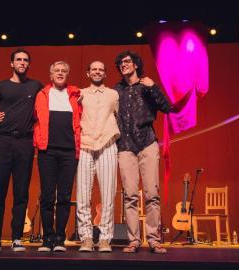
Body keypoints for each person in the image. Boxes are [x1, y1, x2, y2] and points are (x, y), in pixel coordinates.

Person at [0, 48, 43, 252]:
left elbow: (46, 106)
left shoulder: (36, 86)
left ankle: (17, 237)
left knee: (21, 192)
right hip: (2, 142)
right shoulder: (0, 86)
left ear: (28, 64)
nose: (22, 62)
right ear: (12, 63)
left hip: (24, 143)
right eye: (18, 59)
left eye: (25, 60)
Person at [114, 51, 170, 254]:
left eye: (127, 61)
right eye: (121, 63)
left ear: (136, 64)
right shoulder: (116, 90)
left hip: (147, 143)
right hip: (126, 146)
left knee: (152, 194)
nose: (124, 65)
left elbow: (167, 107)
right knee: (129, 195)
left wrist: (153, 87)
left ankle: (154, 239)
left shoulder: (147, 86)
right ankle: (134, 240)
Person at [33, 61, 82, 252]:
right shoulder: (42, 95)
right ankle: (47, 239)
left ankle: (60, 239)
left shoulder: (76, 95)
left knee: (64, 196)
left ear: (67, 74)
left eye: (64, 71)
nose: (60, 73)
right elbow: (28, 116)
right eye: (57, 71)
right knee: (46, 196)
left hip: (69, 152)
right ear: (50, 75)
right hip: (47, 151)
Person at [76, 61, 120, 252]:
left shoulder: (113, 94)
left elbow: (120, 116)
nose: (97, 72)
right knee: (83, 195)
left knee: (109, 194)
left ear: (105, 74)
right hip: (85, 144)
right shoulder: (80, 93)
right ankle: (86, 237)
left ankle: (105, 239)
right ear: (88, 73)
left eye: (101, 69)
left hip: (107, 144)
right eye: (93, 69)